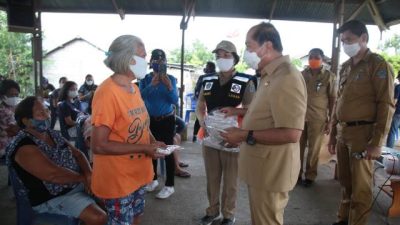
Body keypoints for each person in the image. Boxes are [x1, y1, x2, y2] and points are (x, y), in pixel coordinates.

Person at [220, 22, 307, 225]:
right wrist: (238, 113)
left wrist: (243, 135)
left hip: (272, 171)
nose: (246, 52)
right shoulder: (271, 74)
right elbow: (266, 110)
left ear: (267, 46)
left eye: (249, 46)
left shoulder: (286, 77)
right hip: (263, 167)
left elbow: (292, 133)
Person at [91, 35, 165, 225]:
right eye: (143, 56)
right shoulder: (106, 93)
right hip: (118, 178)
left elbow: (141, 125)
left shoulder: (134, 89)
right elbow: (99, 145)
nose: (147, 62)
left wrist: (152, 142)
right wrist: (143, 149)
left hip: (138, 173)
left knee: (136, 217)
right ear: (128, 59)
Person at [328, 20, 394, 225]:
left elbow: (386, 104)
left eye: (349, 40)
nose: (346, 44)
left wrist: (377, 142)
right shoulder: (346, 67)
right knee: (346, 182)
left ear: (363, 39)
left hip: (363, 134)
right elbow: (339, 101)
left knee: (361, 187)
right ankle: (343, 219)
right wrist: (331, 133)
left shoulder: (378, 65)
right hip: (343, 132)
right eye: (343, 41)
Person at [6, 96, 107, 224]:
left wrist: (89, 173)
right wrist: (83, 178)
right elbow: (53, 174)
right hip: (53, 197)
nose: (47, 115)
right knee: (98, 217)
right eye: (41, 113)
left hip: (74, 184)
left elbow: (78, 154)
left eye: (47, 110)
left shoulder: (51, 134)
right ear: (26, 121)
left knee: (110, 199)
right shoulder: (24, 146)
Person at [196, 40, 256, 225]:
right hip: (210, 137)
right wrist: (202, 122)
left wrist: (235, 111)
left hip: (233, 137)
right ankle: (212, 211)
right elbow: (200, 106)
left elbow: (253, 110)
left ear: (235, 59)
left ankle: (228, 215)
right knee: (212, 178)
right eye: (218, 56)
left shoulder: (246, 81)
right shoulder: (207, 80)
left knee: (231, 181)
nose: (222, 59)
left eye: (226, 55)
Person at [139, 49, 179, 199]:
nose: (159, 64)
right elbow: (140, 97)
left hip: (167, 119)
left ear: (166, 63)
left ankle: (169, 185)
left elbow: (174, 100)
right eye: (156, 61)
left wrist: (169, 86)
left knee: (167, 151)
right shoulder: (144, 79)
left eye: (162, 61)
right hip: (149, 120)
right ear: (151, 63)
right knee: (151, 150)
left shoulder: (172, 79)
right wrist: (152, 85)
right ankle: (153, 179)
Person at [299, 48, 337, 187]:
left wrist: (331, 121)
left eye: (316, 57)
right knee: (298, 148)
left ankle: (310, 176)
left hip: (318, 118)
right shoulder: (301, 75)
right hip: (299, 117)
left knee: (314, 150)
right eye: (310, 57)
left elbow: (333, 99)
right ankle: (296, 174)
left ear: (322, 59)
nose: (312, 59)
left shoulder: (329, 76)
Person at [193, 61, 216, 142]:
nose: (205, 68)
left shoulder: (213, 77)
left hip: (209, 101)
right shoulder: (203, 77)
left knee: (206, 118)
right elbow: (197, 89)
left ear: (211, 68)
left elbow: (197, 89)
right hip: (203, 100)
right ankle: (196, 136)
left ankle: (201, 136)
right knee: (200, 118)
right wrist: (198, 98)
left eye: (207, 67)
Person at [0, 79, 21, 158]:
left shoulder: (16, 108)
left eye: (16, 95)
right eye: (11, 95)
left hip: (15, 145)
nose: (15, 98)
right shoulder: (2, 110)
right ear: (3, 96)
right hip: (5, 149)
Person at [387, 71, 400, 148]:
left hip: (398, 112)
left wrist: (390, 110)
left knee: (392, 131)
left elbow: (395, 100)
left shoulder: (398, 87)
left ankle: (389, 149)